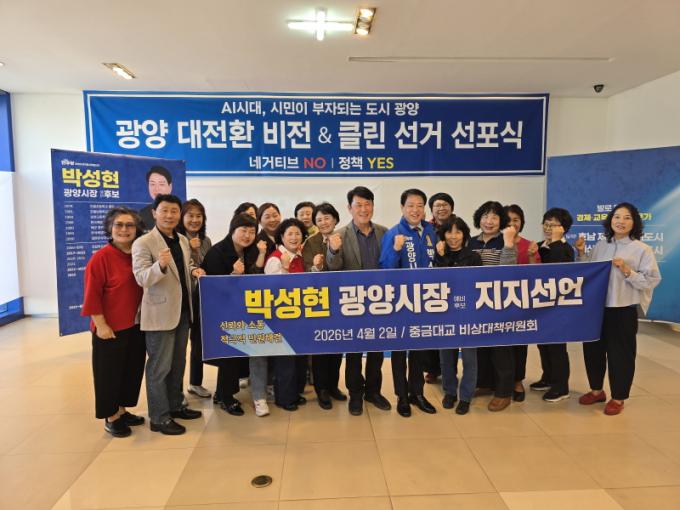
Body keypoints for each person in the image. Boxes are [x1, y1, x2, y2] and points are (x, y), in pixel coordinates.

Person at [575, 202, 661, 415]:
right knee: (593, 350)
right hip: (596, 309)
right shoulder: (600, 245)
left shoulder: (642, 249)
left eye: (627, 218)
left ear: (634, 223)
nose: (621, 221)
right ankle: (596, 391)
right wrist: (581, 252)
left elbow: (651, 280)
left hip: (623, 309)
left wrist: (627, 270)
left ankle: (618, 397)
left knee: (620, 355)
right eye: (617, 217)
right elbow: (588, 271)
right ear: (610, 220)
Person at [132, 194, 206, 435]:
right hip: (159, 314)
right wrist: (160, 265)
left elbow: (184, 268)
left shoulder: (182, 240)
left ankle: (176, 405)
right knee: (159, 368)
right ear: (154, 213)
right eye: (164, 210)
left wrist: (194, 271)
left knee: (177, 364)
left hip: (183, 311)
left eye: (174, 211)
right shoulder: (143, 243)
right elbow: (141, 277)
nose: (169, 215)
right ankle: (159, 417)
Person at [326, 186, 391, 416]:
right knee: (353, 352)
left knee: (376, 350)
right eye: (358, 205)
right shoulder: (339, 235)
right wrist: (333, 251)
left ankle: (373, 391)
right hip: (353, 303)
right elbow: (333, 269)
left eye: (367, 204)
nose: (363, 209)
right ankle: (355, 394)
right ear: (349, 208)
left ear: (373, 206)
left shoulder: (385, 233)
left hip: (380, 302)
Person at [82, 207, 146, 437]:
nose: (124, 229)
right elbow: (92, 296)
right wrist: (101, 325)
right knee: (108, 374)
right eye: (119, 224)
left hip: (136, 326)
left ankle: (122, 410)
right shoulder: (101, 258)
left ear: (137, 229)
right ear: (110, 228)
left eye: (129, 225)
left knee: (130, 371)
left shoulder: (139, 255)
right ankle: (111, 416)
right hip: (110, 329)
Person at [199, 213, 267, 415]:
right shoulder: (217, 252)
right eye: (243, 230)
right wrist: (234, 274)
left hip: (241, 310)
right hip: (220, 312)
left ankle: (222, 393)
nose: (247, 235)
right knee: (228, 356)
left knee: (236, 355)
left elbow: (254, 277)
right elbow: (212, 287)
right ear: (232, 230)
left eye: (252, 231)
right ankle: (226, 398)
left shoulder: (249, 251)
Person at [379, 188, 438, 417]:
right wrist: (395, 250)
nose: (415, 210)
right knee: (399, 353)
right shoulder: (394, 233)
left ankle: (417, 393)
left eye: (420, 205)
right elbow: (385, 270)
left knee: (419, 352)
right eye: (410, 205)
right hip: (401, 304)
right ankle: (402, 396)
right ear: (402, 208)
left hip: (425, 302)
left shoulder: (430, 231)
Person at [468, 201, 517, 412]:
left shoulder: (505, 240)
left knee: (501, 349)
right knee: (481, 347)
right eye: (485, 216)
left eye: (494, 217)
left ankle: (504, 392)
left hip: (499, 303)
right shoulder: (471, 241)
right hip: (476, 303)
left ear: (501, 221)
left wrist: (508, 243)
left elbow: (508, 271)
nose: (489, 221)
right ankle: (485, 383)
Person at [263, 218, 313, 411]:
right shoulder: (275, 259)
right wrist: (284, 268)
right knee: (285, 361)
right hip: (281, 319)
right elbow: (272, 290)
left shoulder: (299, 256)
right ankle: (284, 398)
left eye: (298, 233)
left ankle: (294, 393)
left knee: (299, 359)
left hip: (299, 317)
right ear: (282, 237)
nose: (294, 237)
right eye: (289, 234)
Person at [302, 202, 347, 409]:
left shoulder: (345, 237)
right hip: (319, 301)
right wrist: (316, 267)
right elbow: (306, 271)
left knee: (337, 347)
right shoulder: (310, 242)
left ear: (335, 219)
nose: (323, 222)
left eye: (327, 218)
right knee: (321, 348)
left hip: (342, 300)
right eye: (318, 220)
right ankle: (321, 390)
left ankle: (333, 386)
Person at [434, 215, 481, 415]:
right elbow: (440, 282)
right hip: (445, 313)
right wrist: (441, 257)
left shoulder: (474, 257)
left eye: (458, 232)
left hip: (468, 313)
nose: (453, 236)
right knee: (446, 356)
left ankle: (466, 396)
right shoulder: (438, 255)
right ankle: (450, 392)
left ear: (464, 235)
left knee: (470, 357)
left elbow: (476, 286)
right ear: (443, 235)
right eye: (449, 232)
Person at [529, 208, 575, 403]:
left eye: (553, 225)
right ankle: (547, 377)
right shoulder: (540, 246)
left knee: (556, 347)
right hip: (541, 305)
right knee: (543, 345)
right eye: (546, 224)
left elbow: (557, 271)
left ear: (563, 229)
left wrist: (555, 241)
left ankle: (561, 386)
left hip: (558, 307)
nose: (548, 228)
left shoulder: (565, 249)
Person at [504, 204, 540, 403]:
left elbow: (538, 273)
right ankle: (499, 381)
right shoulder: (496, 241)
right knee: (500, 345)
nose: (512, 224)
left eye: (516, 220)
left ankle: (518, 381)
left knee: (519, 344)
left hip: (521, 301)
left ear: (522, 222)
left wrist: (533, 256)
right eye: (508, 220)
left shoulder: (529, 245)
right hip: (497, 302)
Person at [177, 199, 212, 399]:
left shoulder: (206, 240)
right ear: (182, 217)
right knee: (179, 347)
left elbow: (208, 266)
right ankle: (175, 392)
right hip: (182, 300)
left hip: (201, 299)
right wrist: (190, 249)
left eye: (199, 216)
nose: (195, 220)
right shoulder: (176, 239)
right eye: (190, 215)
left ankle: (195, 383)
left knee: (198, 342)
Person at [422, 192, 455, 383]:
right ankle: (432, 369)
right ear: (431, 209)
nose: (441, 208)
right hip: (430, 284)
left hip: (452, 283)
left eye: (445, 205)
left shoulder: (458, 226)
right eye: (437, 205)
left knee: (449, 330)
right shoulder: (425, 228)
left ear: (452, 208)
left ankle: (450, 370)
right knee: (430, 329)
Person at [139, 166, 173, 231]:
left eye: (161, 184)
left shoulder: (179, 211)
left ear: (170, 187)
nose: (156, 189)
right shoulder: (143, 213)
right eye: (152, 184)